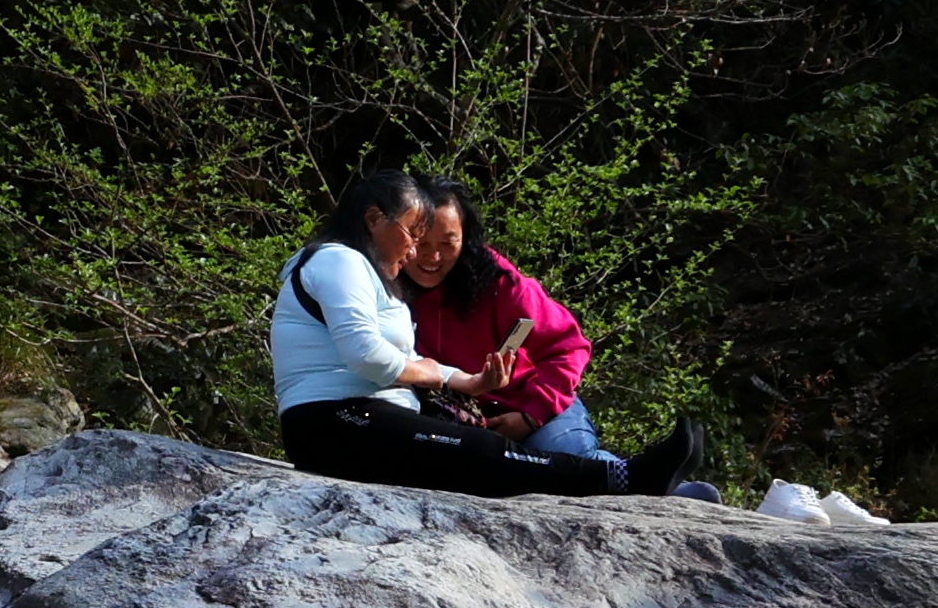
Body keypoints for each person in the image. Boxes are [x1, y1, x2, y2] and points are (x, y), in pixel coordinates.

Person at [275, 173, 716, 501]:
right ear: (374, 220)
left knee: (502, 454)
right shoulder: (338, 260)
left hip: (521, 404)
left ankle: (637, 480)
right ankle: (632, 480)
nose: (419, 253)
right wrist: (442, 379)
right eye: (414, 236)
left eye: (443, 243)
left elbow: (567, 345)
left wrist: (470, 383)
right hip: (335, 420)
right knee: (481, 452)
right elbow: (369, 357)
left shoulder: (487, 282)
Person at [401, 199, 622, 467]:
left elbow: (568, 347)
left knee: (568, 464)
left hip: (535, 405)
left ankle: (667, 486)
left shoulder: (500, 281)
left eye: (448, 243)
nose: (434, 257)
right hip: (455, 421)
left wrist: (531, 415)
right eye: (422, 243)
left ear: (466, 238)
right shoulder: (379, 280)